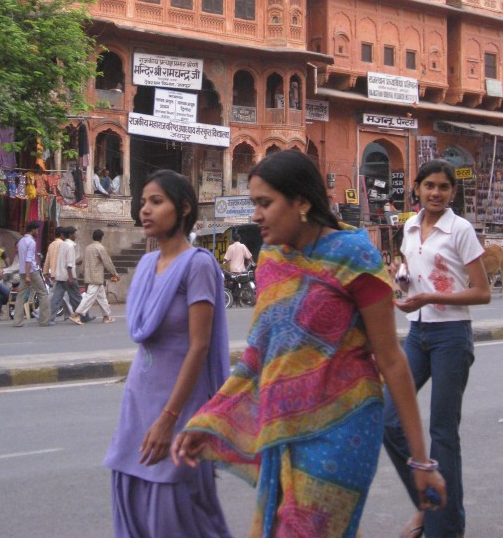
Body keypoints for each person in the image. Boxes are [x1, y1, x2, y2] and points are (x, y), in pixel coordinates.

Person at [172, 150, 445, 538]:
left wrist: (421, 462)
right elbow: (258, 357)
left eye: (265, 203)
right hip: (283, 428)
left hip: (344, 426)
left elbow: (392, 360)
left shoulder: (354, 254)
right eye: (254, 204)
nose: (255, 215)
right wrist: (211, 420)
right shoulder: (270, 259)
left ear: (301, 202)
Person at [104, 169, 232, 538]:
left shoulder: (199, 265)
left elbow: (200, 346)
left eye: (157, 202)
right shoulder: (145, 265)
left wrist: (169, 418)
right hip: (138, 400)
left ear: (184, 209)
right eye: (143, 202)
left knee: (176, 514)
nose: (145, 210)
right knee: (132, 497)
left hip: (178, 405)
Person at [382, 158, 490, 538]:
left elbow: (483, 292)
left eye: (444, 187)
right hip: (417, 334)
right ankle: (427, 502)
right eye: (429, 186)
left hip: (451, 335)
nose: (436, 193)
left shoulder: (459, 230)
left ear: (453, 192)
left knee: (443, 434)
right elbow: (411, 273)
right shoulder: (410, 227)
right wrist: (404, 281)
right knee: (388, 418)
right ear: (416, 188)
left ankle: (446, 528)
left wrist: (427, 295)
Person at [70, 229, 119, 325]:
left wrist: (82, 272)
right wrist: (114, 273)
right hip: (96, 277)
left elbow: (84, 262)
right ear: (101, 238)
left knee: (102, 298)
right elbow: (107, 262)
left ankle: (106, 316)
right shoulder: (100, 248)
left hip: (90, 276)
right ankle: (76, 314)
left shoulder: (88, 247)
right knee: (89, 297)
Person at [12, 221, 50, 327]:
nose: (38, 232)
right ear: (33, 230)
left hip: (22, 271)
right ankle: (44, 320)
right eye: (37, 230)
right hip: (31, 271)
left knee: (20, 296)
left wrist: (25, 274)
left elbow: (22, 259)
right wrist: (28, 275)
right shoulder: (31, 242)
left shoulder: (21, 242)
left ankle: (17, 321)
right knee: (43, 293)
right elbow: (29, 259)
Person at [49, 226, 89, 325]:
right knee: (76, 297)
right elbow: (69, 264)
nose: (75, 236)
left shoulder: (63, 244)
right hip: (68, 276)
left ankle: (50, 318)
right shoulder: (71, 246)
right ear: (71, 235)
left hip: (61, 275)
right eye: (74, 234)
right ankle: (84, 316)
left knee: (56, 298)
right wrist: (70, 277)